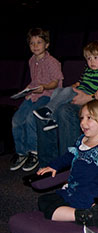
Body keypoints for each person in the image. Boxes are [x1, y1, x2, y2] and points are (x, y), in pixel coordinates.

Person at [36, 12, 98, 167]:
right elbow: (86, 80)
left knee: (65, 111)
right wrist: (74, 88)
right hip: (88, 99)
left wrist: (90, 98)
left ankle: (68, 166)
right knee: (44, 110)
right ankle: (47, 166)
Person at [37, 100, 98, 233]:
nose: (82, 123)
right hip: (72, 190)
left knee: (50, 210)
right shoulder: (81, 140)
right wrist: (54, 166)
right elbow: (69, 155)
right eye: (82, 118)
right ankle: (86, 216)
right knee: (43, 201)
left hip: (88, 195)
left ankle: (90, 213)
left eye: (89, 118)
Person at [33, 40, 98, 131]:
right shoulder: (88, 70)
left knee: (68, 91)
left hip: (87, 96)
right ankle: (52, 118)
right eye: (89, 58)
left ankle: (48, 109)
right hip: (79, 91)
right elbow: (82, 82)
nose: (91, 61)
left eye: (95, 58)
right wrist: (76, 85)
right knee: (58, 91)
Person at [10, 27, 63, 172]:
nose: (35, 46)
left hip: (48, 95)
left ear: (46, 45)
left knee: (30, 118)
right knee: (16, 119)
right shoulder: (31, 60)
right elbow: (34, 80)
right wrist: (26, 90)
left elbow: (55, 82)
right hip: (34, 94)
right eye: (32, 43)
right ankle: (21, 152)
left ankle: (34, 152)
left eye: (39, 42)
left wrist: (44, 87)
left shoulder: (52, 62)